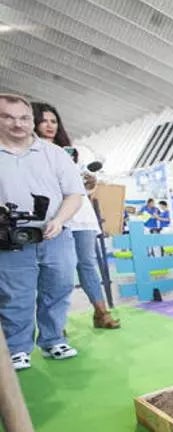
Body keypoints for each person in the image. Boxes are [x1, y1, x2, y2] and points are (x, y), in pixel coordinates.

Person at [0, 93, 85, 370]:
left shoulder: (55, 154)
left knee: (59, 288)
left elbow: (74, 194)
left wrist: (59, 220)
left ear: (31, 120)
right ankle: (17, 348)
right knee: (15, 295)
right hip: (10, 239)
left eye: (24, 118)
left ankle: (53, 339)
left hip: (55, 235)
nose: (18, 124)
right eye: (8, 117)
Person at [32, 102, 120, 330]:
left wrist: (89, 184)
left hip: (80, 214)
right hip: (52, 215)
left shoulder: (70, 152)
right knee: (56, 269)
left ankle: (101, 312)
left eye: (54, 121)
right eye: (43, 121)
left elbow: (80, 187)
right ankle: (54, 324)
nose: (49, 125)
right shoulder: (28, 152)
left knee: (87, 263)